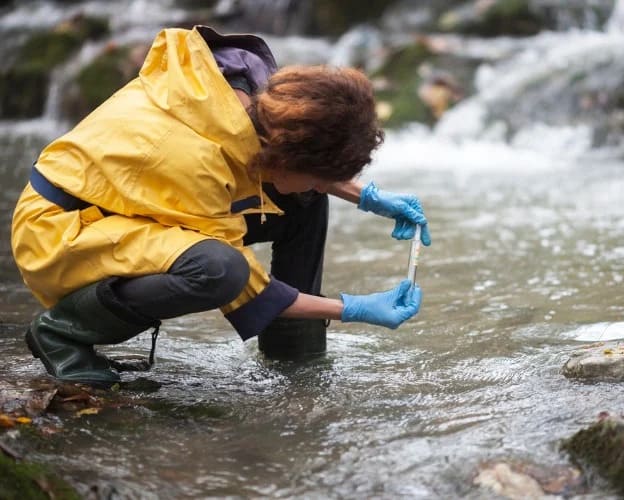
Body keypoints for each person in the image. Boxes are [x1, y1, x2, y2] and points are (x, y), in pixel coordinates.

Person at [10, 25, 432, 387]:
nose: (324, 185)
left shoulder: (259, 97)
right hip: (63, 230)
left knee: (305, 200)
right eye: (319, 175)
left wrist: (370, 198)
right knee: (218, 269)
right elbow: (248, 289)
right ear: (286, 157)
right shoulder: (196, 161)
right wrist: (354, 308)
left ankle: (293, 353)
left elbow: (298, 169)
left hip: (127, 203)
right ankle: (63, 333)